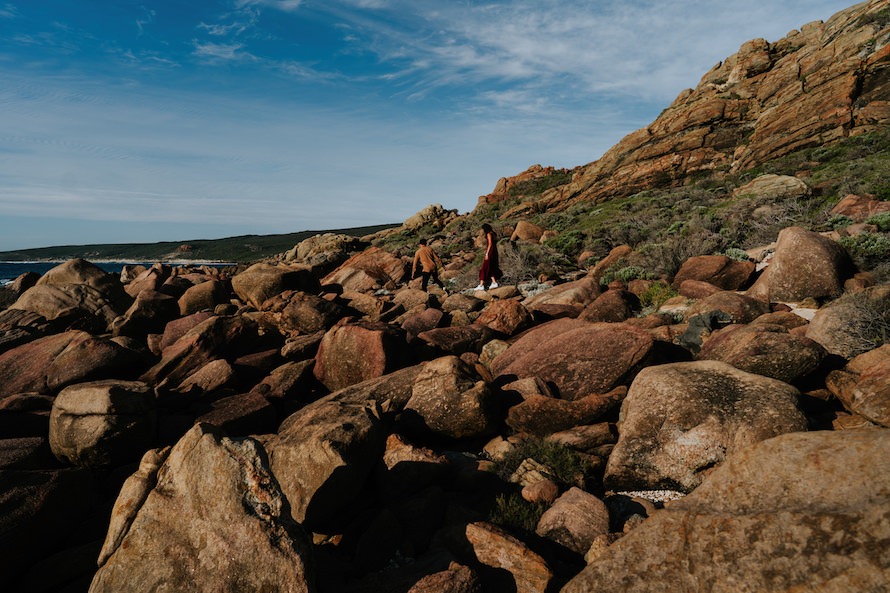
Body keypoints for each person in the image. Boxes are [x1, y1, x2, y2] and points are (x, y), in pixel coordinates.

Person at [475, 223, 501, 290]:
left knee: (484, 268)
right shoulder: (493, 234)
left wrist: (487, 253)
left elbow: (490, 244)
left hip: (490, 253)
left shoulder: (489, 234)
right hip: (494, 252)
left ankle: (481, 285)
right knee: (491, 268)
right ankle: (494, 283)